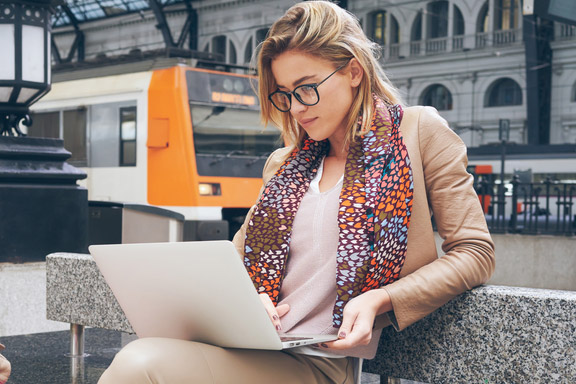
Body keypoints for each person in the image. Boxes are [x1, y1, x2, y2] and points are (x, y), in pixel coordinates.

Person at [99, 1, 495, 383]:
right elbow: (236, 261)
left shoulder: (418, 132)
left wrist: (382, 298)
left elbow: (475, 253)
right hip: (251, 345)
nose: (296, 108)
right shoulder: (284, 163)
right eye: (285, 94)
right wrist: (252, 301)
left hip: (320, 364)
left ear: (354, 71)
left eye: (307, 88)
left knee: (141, 363)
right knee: (142, 355)